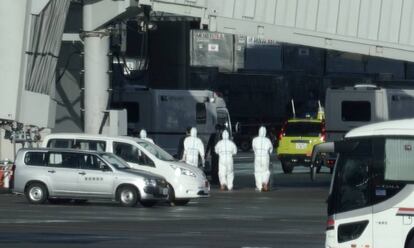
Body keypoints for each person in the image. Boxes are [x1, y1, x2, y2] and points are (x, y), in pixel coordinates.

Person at [252, 126, 273, 192]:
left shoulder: (255, 140)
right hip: (265, 157)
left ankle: (259, 187)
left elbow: (254, 148)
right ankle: (265, 182)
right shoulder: (267, 140)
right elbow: (271, 150)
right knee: (266, 171)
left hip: (257, 157)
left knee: (257, 172)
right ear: (265, 132)